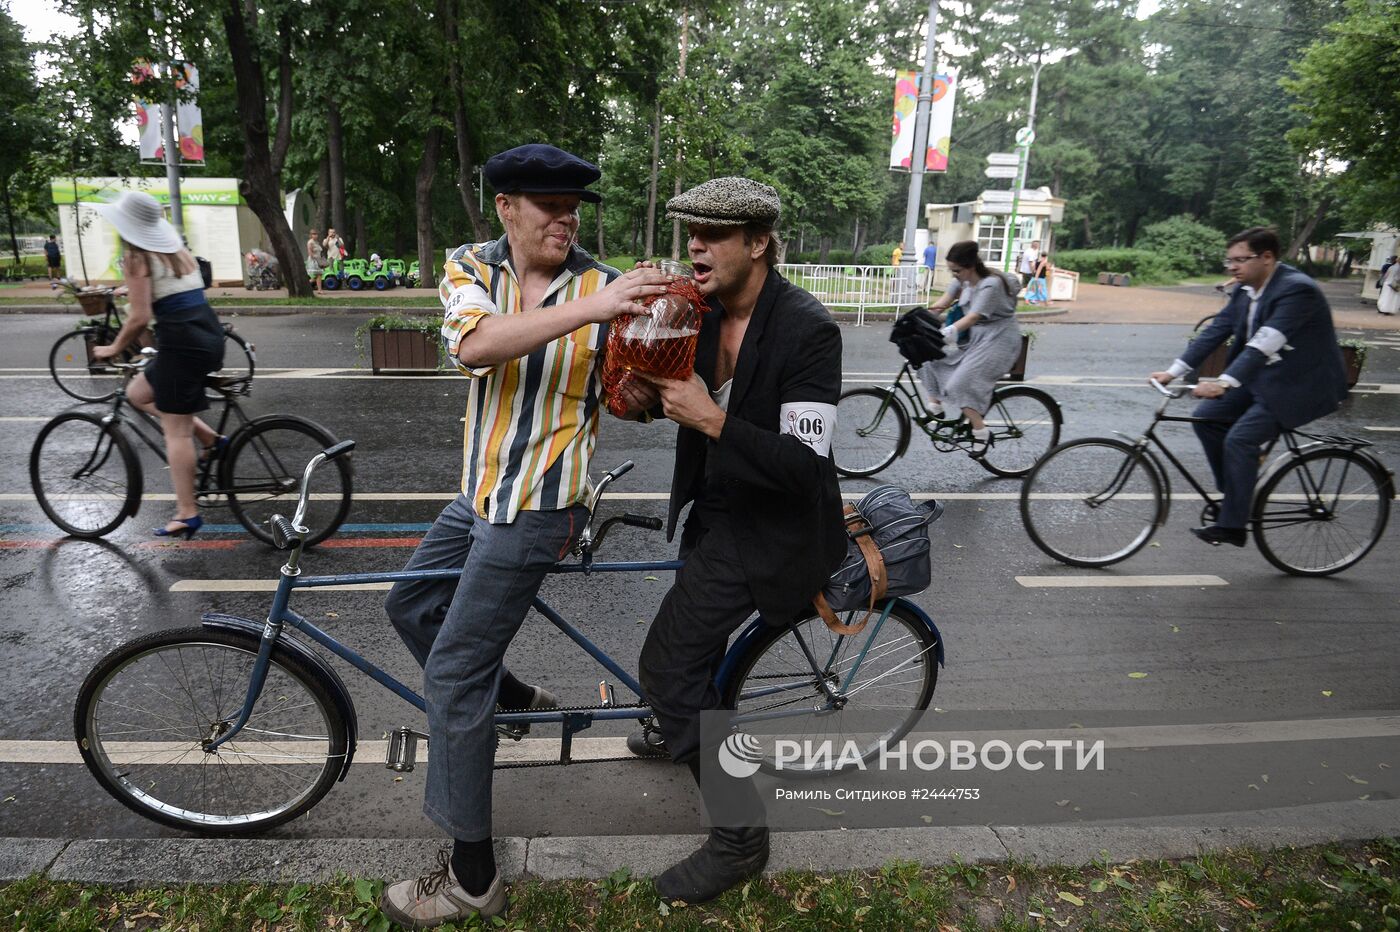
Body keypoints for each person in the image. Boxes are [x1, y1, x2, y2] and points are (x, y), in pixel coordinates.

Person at [378, 143, 672, 928]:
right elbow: (473, 347)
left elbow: (632, 396)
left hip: (543, 505)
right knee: (409, 605)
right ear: (506, 207)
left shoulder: (608, 286)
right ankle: (512, 698)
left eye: (573, 208)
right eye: (549, 205)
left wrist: (647, 370)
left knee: (452, 675)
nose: (566, 219)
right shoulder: (471, 267)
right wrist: (594, 312)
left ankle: (474, 878)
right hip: (478, 495)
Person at [614, 176, 846, 904]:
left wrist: (710, 419)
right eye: (692, 232)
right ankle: (684, 727)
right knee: (694, 665)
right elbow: (669, 396)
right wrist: (641, 400)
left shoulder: (808, 329)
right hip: (715, 510)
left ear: (758, 242)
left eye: (713, 234)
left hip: (772, 527)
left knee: (667, 669)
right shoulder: (700, 311)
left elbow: (804, 468)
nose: (696, 247)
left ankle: (740, 836)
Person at [1150, 227, 1348, 547]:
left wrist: (1222, 382)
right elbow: (1216, 330)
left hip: (1301, 384)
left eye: (1240, 260)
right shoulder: (1245, 289)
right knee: (1207, 418)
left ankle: (1233, 525)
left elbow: (1264, 344)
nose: (1233, 267)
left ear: (1267, 257)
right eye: (1229, 261)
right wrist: (1173, 372)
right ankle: (1237, 496)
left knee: (1241, 439)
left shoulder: (1298, 290)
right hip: (1264, 377)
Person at [87, 191, 225, 538]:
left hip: (181, 346)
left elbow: (139, 317)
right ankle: (210, 438)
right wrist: (131, 289)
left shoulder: (136, 257)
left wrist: (113, 347)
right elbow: (170, 289)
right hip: (206, 335)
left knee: (176, 432)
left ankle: (187, 512)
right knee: (138, 394)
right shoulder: (176, 249)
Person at [918, 240, 1023, 458]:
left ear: (970, 266)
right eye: (952, 271)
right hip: (976, 339)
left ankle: (981, 432)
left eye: (956, 271)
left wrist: (947, 332)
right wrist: (917, 321)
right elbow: (942, 304)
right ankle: (935, 406)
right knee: (927, 357)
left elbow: (974, 316)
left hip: (999, 341)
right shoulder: (962, 281)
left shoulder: (991, 285)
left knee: (959, 384)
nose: (954, 275)